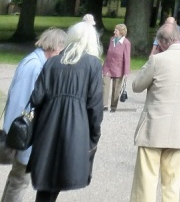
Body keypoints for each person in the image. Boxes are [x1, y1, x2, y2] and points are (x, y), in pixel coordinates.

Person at [27, 21, 103, 202]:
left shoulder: (52, 62)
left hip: (47, 126)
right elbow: (95, 106)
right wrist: (94, 135)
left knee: (46, 181)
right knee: (60, 177)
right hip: (76, 127)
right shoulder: (93, 64)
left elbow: (36, 98)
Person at [129, 22, 180, 202]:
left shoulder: (157, 60)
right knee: (172, 183)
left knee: (146, 181)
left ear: (162, 42)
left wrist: (151, 58)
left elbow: (136, 86)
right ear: (179, 37)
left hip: (153, 129)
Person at [0, 29, 67, 202]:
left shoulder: (36, 62)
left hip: (24, 132)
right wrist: (15, 136)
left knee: (17, 178)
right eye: (62, 49)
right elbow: (20, 101)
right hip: (24, 134)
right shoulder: (34, 66)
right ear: (56, 47)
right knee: (20, 180)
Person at [102, 24, 131, 112]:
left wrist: (126, 72)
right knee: (104, 85)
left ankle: (113, 107)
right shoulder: (112, 39)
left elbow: (127, 57)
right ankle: (104, 105)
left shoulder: (126, 43)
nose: (114, 32)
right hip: (108, 66)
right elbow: (108, 54)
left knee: (116, 88)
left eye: (116, 30)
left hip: (118, 68)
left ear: (121, 32)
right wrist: (104, 66)